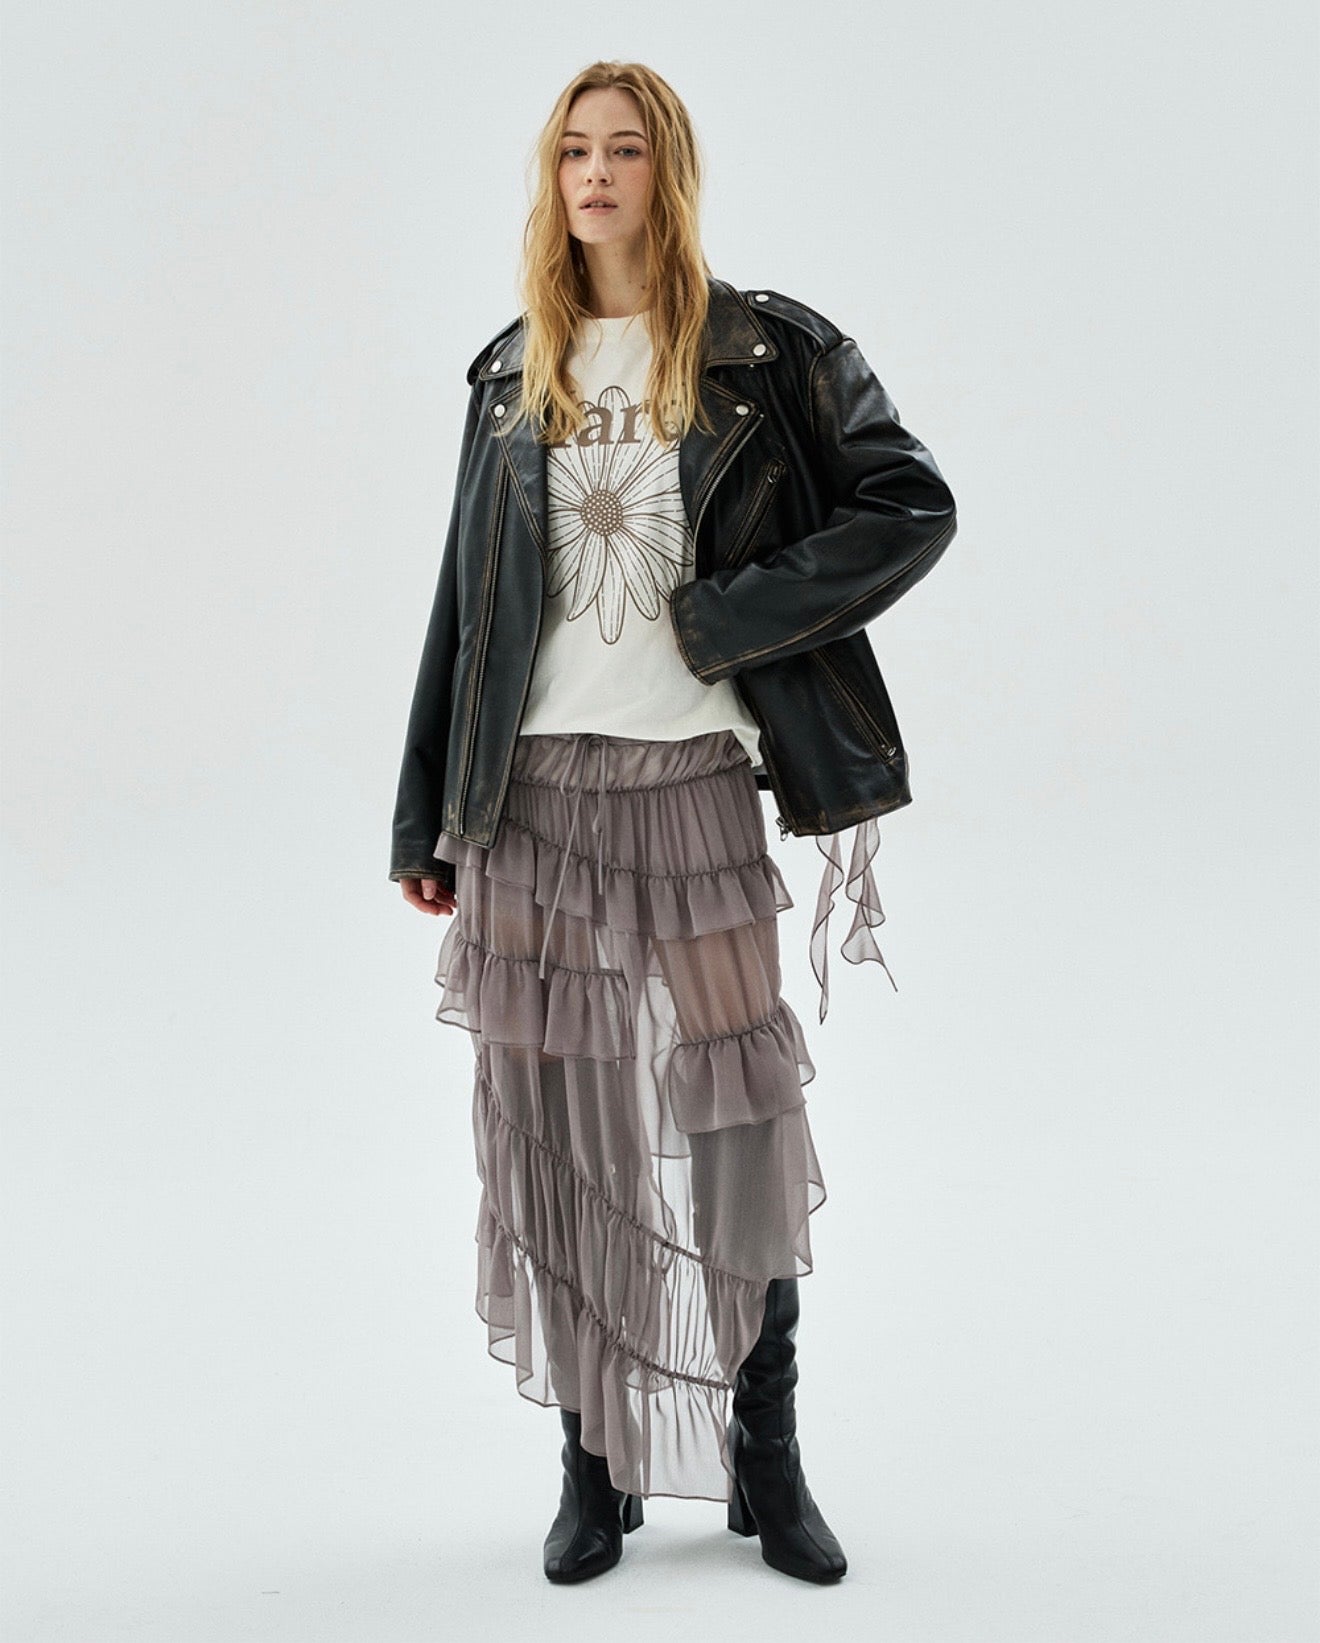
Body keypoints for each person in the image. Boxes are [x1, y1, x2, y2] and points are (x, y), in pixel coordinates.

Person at [390, 60, 956, 1585]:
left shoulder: (766, 353)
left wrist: (725, 621)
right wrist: (425, 819)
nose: (595, 173)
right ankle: (596, 1465)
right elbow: (462, 609)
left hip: (694, 783)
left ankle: (766, 1457)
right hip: (532, 798)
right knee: (563, 1127)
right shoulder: (512, 371)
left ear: (668, 171)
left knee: (737, 1111)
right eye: (574, 150)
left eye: (624, 148)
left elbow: (911, 505)